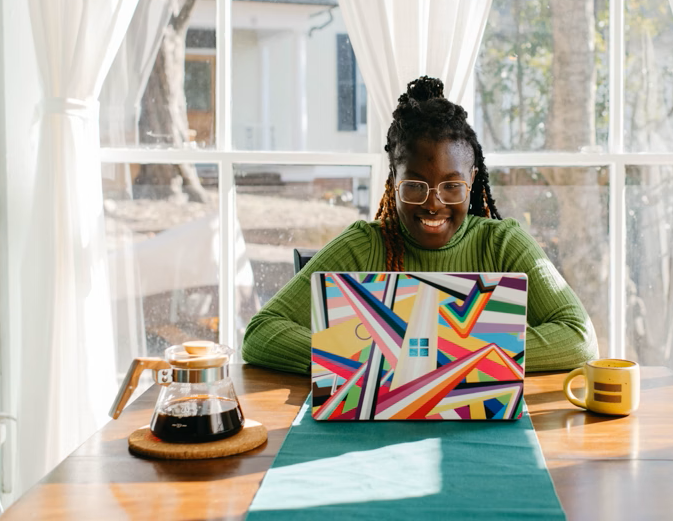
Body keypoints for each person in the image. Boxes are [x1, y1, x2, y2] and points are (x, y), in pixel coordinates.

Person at [242, 76, 598, 374]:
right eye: (414, 185)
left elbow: (579, 338)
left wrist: (436, 358)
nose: (433, 203)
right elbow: (261, 333)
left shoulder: (502, 244)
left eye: (452, 185)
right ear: (393, 181)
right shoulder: (364, 246)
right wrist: (364, 360)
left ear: (472, 180)